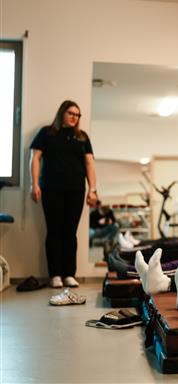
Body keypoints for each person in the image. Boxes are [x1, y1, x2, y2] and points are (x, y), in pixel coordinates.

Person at [30, 100, 97, 288]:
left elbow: (89, 163)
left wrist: (92, 189)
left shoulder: (82, 137)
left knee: (70, 232)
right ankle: (55, 275)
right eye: (71, 113)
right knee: (54, 230)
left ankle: (69, 274)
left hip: (76, 190)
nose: (75, 117)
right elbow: (35, 158)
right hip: (51, 189)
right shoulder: (47, 133)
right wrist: (34, 184)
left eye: (78, 114)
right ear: (62, 113)